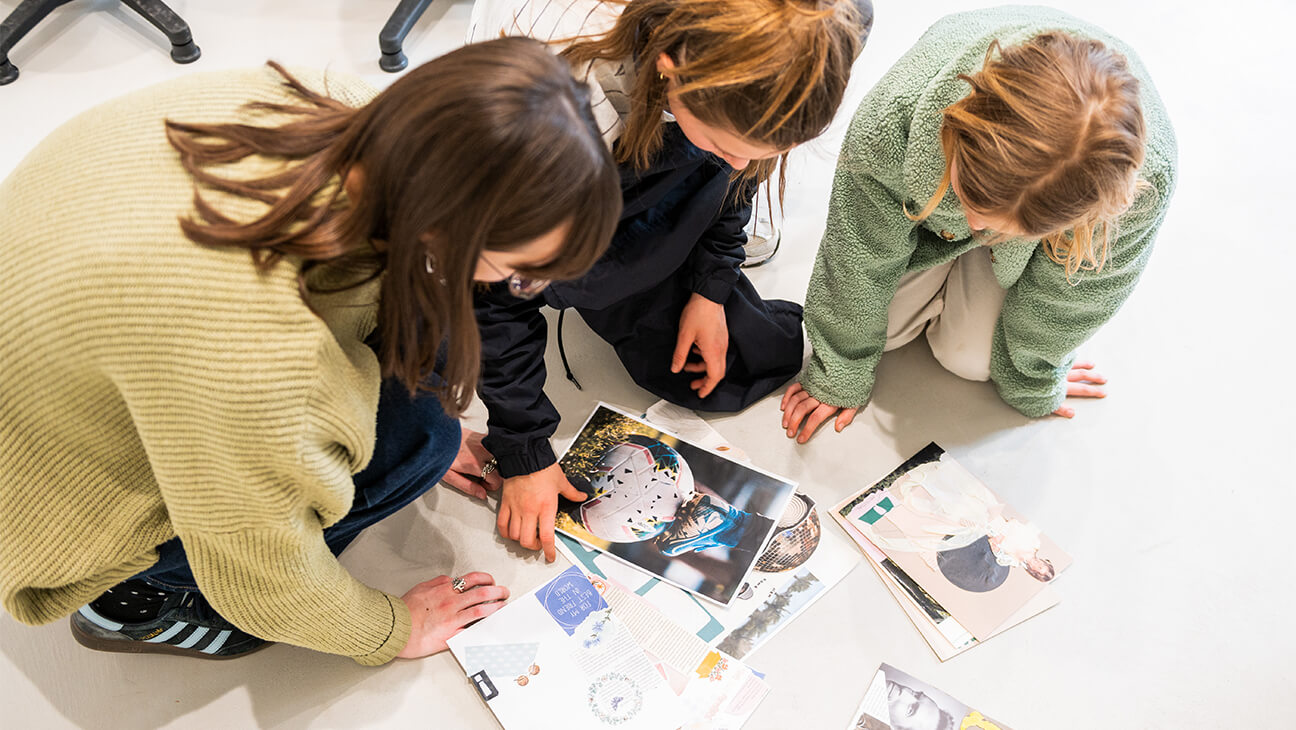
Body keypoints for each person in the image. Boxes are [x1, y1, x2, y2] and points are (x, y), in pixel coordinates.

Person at [0, 38, 620, 664]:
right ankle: (131, 603)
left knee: (426, 391)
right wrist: (390, 631)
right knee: (418, 444)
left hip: (65, 334)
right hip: (43, 501)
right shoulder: (255, 353)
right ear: (447, 223)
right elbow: (255, 567)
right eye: (517, 274)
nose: (513, 291)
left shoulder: (344, 104)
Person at [467, 0, 872, 561]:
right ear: (670, 66)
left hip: (652, 137)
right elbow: (489, 293)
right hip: (543, 178)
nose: (744, 162)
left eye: (768, 152)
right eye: (725, 145)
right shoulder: (555, 111)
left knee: (728, 369)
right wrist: (524, 450)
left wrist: (710, 287)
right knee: (443, 358)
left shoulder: (831, 26)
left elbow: (739, 175)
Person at [781, 5, 1178, 442]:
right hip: (928, 208)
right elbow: (856, 245)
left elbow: (1078, 298)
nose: (974, 222)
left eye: (1000, 225)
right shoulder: (898, 115)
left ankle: (989, 259)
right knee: (881, 331)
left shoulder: (1142, 187)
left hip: (1022, 233)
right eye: (970, 202)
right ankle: (961, 246)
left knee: (969, 361)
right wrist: (840, 368)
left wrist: (1035, 376)